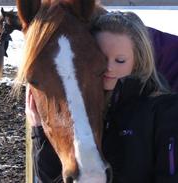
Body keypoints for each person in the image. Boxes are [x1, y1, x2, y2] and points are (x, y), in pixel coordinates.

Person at [26, 11, 178, 183]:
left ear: (139, 60)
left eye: (120, 60)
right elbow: (54, 178)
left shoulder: (165, 110)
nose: (109, 68)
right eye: (101, 59)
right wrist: (39, 131)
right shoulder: (86, 107)